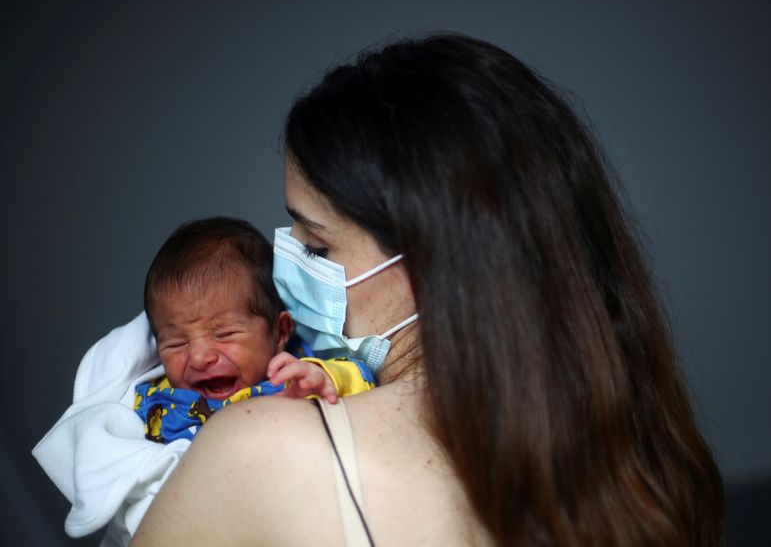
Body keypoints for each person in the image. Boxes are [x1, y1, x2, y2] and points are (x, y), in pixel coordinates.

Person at [131, 33, 724, 546]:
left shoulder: (261, 448)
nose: (291, 275)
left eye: (316, 247)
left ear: (432, 261)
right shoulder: (651, 465)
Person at [135, 216, 376, 442]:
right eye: (177, 343)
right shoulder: (160, 401)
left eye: (224, 334)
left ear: (280, 332)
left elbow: (362, 377)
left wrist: (326, 379)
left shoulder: (297, 375)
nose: (199, 358)